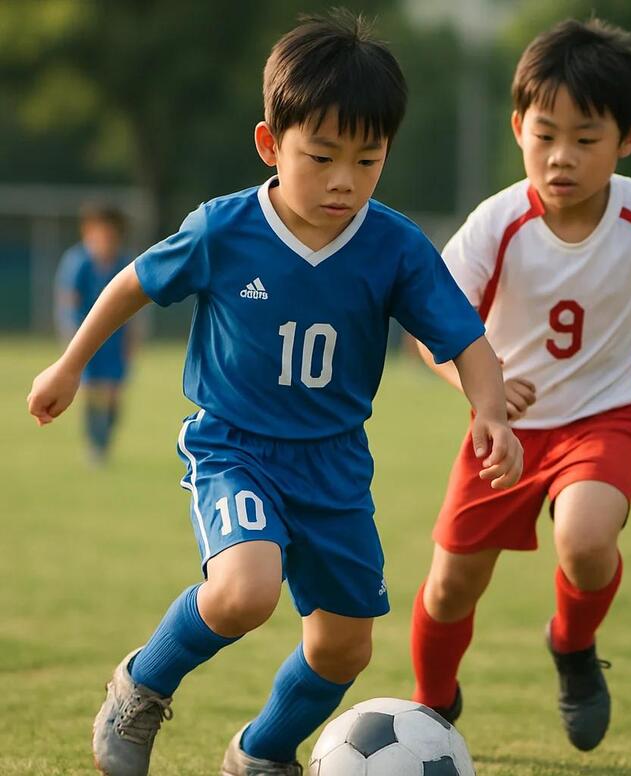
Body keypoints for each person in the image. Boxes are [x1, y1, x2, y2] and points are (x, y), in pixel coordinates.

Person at [27, 11, 522, 776]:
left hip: (334, 464)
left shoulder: (394, 247)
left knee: (345, 646)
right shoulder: (223, 230)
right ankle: (140, 686)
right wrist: (68, 365)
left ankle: (260, 751)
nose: (344, 179)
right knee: (244, 591)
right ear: (270, 144)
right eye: (321, 156)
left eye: (368, 159)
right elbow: (133, 284)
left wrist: (490, 410)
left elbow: (465, 339)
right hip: (236, 447)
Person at [409, 18, 631, 753]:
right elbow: (428, 330)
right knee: (449, 587)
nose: (561, 155)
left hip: (608, 417)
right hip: (504, 431)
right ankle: (431, 708)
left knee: (587, 540)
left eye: (586, 138)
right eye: (544, 135)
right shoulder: (497, 222)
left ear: (629, 138)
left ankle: (572, 644)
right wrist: (480, 390)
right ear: (518, 129)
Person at [55, 204, 134, 463]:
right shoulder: (78, 262)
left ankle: (104, 440)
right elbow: (69, 302)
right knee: (88, 390)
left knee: (113, 393)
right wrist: (71, 343)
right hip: (86, 339)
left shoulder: (124, 262)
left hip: (115, 340)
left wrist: (132, 340)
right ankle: (94, 445)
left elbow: (135, 307)